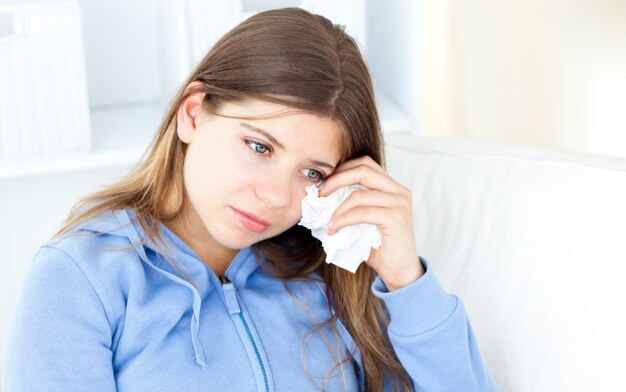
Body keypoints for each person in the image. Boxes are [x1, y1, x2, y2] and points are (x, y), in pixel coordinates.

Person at [2, 7, 497, 392]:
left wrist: (407, 281)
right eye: (259, 146)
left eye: (311, 173)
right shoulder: (82, 277)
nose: (276, 196)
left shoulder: (330, 280)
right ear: (193, 114)